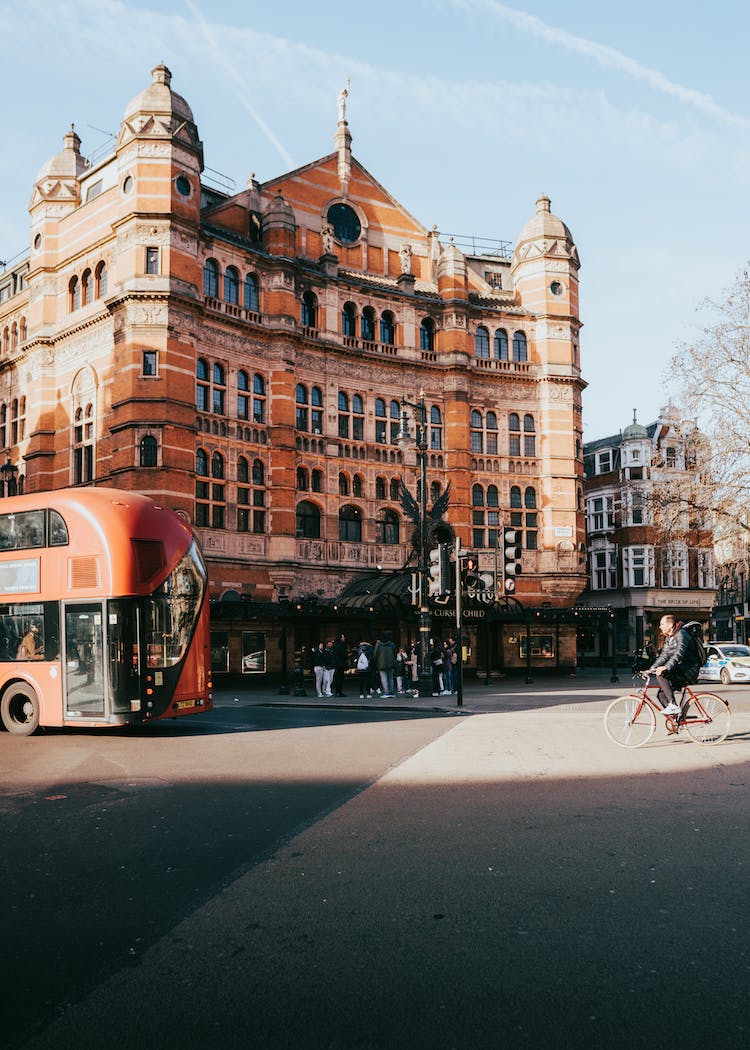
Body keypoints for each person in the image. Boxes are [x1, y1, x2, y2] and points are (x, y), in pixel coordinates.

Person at [645, 614, 703, 716]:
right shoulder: (670, 637)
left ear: (670, 625)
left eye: (662, 624)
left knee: (661, 674)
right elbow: (664, 655)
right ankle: (676, 720)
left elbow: (678, 654)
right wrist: (651, 669)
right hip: (681, 669)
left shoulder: (682, 634)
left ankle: (673, 705)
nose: (660, 627)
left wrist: (666, 667)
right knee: (661, 695)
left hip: (689, 670)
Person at [373, 633, 396, 698]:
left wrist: (376, 662)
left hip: (381, 663)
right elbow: (395, 652)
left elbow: (375, 654)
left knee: (384, 678)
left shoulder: (378, 645)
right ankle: (391, 692)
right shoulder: (391, 644)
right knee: (390, 678)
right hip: (391, 663)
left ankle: (386, 692)